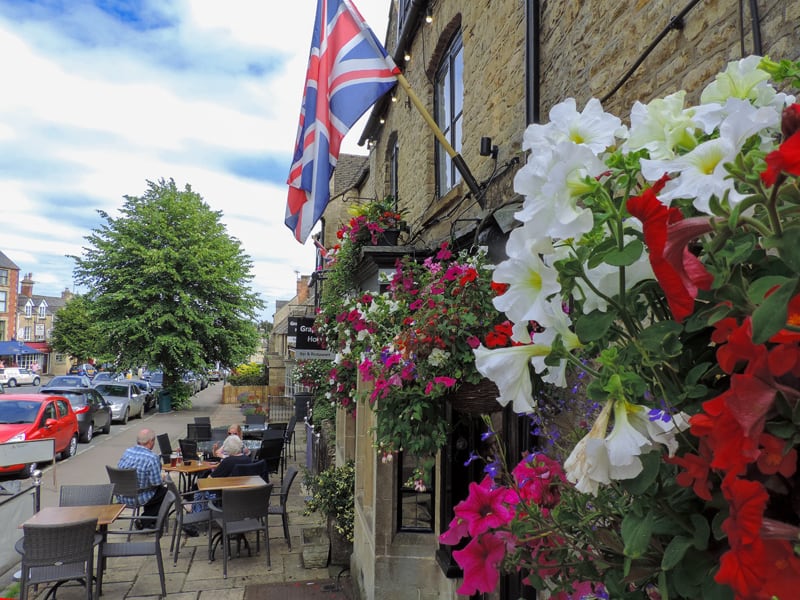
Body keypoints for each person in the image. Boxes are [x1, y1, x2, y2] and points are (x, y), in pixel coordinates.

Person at [117, 428, 168, 527]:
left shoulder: (127, 452)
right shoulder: (152, 458)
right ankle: (144, 520)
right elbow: (156, 483)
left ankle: (150, 521)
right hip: (138, 497)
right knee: (165, 492)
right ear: (151, 441)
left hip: (122, 496)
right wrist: (163, 478)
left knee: (155, 492)